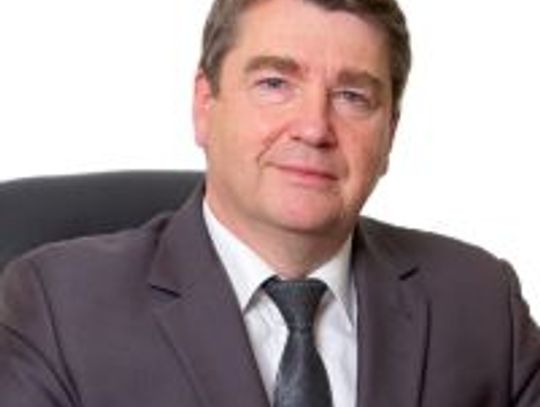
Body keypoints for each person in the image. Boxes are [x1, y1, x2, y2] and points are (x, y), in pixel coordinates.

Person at [1, 0, 540, 405]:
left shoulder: (481, 304)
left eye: (352, 96)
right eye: (275, 83)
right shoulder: (57, 308)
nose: (314, 128)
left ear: (390, 135)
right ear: (205, 105)